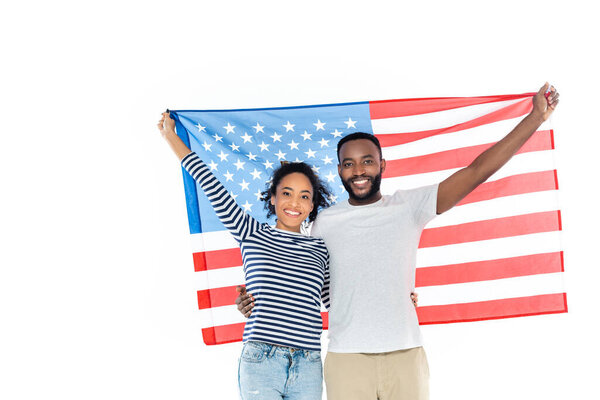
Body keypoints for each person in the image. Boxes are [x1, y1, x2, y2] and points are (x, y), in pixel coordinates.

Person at [237, 83, 560, 399]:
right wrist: (256, 301)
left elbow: (476, 171)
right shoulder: (323, 221)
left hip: (406, 352)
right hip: (346, 358)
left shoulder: (409, 206)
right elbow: (305, 278)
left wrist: (534, 118)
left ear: (382, 165)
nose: (358, 170)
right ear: (339, 171)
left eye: (367, 160)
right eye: (349, 163)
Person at [158, 111, 333, 399]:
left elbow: (335, 301)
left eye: (304, 196)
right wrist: (171, 137)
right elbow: (211, 185)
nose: (294, 203)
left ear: (313, 205)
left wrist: (396, 299)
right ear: (273, 198)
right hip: (261, 361)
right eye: (286, 193)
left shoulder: (320, 248)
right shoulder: (251, 231)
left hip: (309, 364)